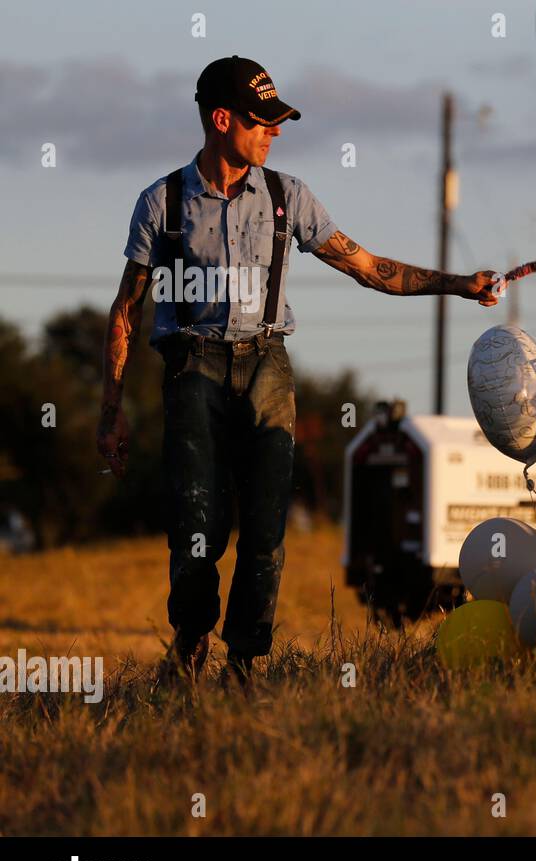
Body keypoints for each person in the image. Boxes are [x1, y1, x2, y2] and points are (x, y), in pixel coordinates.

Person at [96, 56, 507, 689]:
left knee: (266, 527)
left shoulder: (290, 197)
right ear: (221, 119)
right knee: (196, 527)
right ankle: (191, 639)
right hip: (190, 367)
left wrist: (460, 284)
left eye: (277, 121)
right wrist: (111, 411)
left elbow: (368, 266)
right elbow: (126, 312)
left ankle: (244, 664)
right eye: (262, 121)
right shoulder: (162, 203)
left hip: (267, 366)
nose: (274, 132)